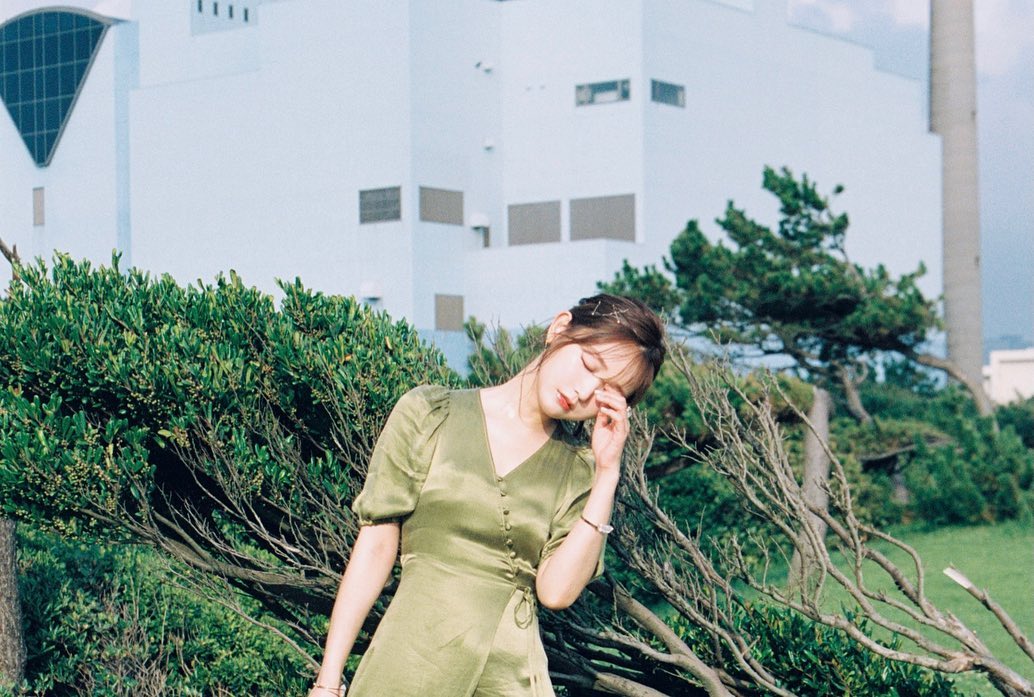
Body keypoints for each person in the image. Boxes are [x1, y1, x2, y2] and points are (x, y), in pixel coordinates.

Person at [309, 293, 666, 697]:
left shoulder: (579, 470)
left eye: (606, 392)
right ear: (560, 327)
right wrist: (328, 681)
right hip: (408, 664)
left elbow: (556, 592)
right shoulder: (429, 413)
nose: (584, 391)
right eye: (588, 364)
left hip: (511, 680)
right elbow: (375, 547)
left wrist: (607, 473)